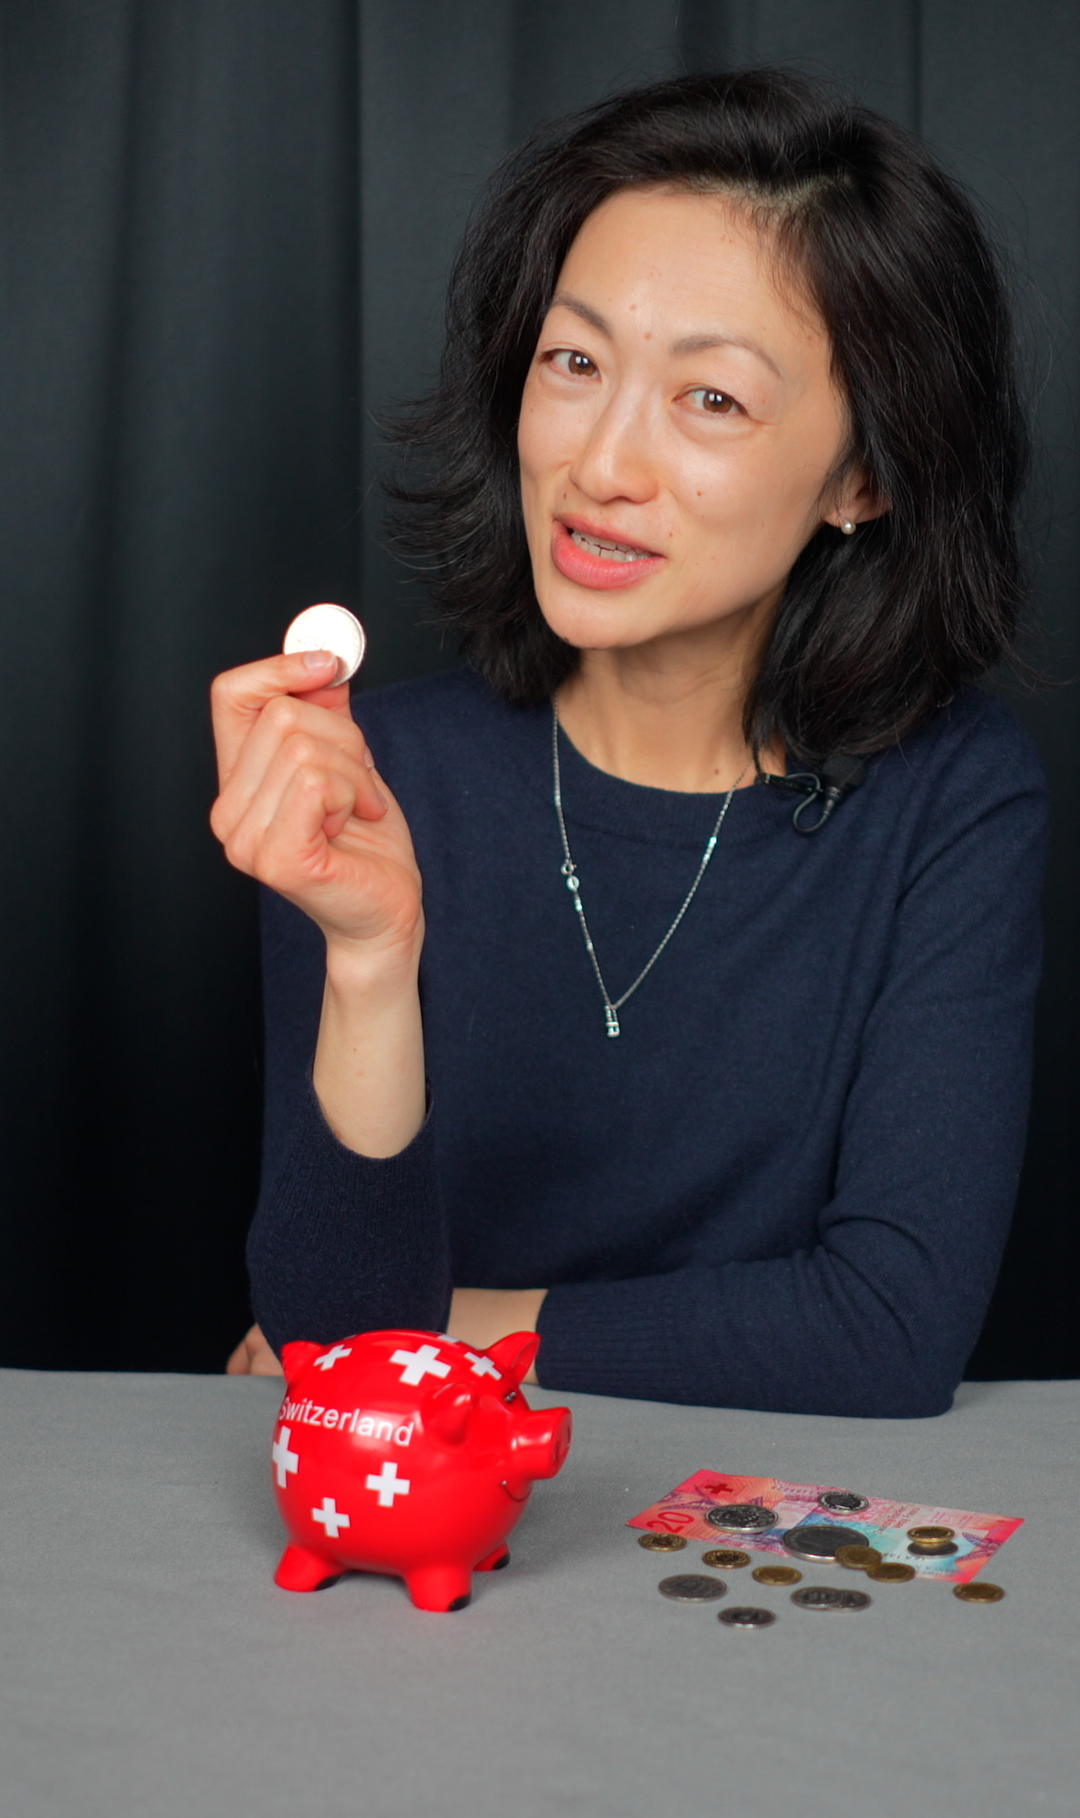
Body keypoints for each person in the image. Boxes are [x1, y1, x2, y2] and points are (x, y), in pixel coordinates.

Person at [213, 69, 1046, 1416]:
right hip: (448, 1559)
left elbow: (890, 1327)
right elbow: (327, 1332)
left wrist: (472, 1325)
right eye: (577, 363)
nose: (603, 462)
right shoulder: (381, 775)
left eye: (709, 399)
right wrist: (370, 955)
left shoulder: (955, 794)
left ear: (863, 478)